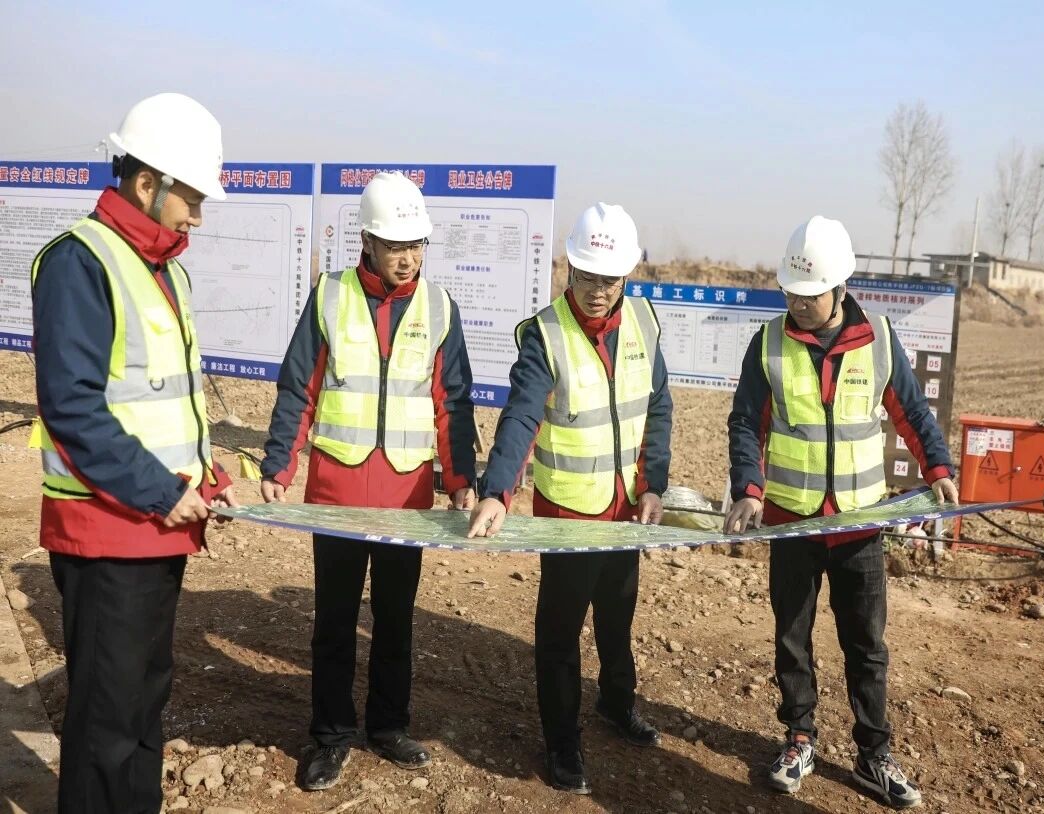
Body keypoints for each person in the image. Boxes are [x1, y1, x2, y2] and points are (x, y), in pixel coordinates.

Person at [30, 92, 237, 813]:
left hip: (157, 524)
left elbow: (161, 399)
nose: (198, 218)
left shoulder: (166, 268)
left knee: (145, 702)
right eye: (192, 200)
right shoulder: (80, 262)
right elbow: (74, 407)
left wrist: (206, 475)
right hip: (107, 531)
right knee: (107, 722)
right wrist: (161, 489)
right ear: (147, 183)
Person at [723, 216, 957, 808]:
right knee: (792, 639)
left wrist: (937, 468)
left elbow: (912, 411)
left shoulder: (878, 338)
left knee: (866, 645)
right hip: (794, 522)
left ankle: (874, 754)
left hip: (858, 526)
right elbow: (747, 422)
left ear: (841, 288)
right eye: (791, 293)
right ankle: (799, 738)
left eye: (810, 294)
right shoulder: (768, 344)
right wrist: (749, 489)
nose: (798, 304)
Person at [260, 171, 477, 790]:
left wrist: (461, 477)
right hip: (337, 493)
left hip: (407, 496)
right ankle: (331, 736)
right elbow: (299, 386)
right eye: (394, 245)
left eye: (416, 245)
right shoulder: (329, 296)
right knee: (334, 621)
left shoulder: (440, 307)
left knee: (395, 618)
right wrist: (279, 462)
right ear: (367, 241)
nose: (407, 258)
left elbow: (452, 402)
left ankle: (388, 726)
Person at [467, 203, 672, 795]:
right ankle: (562, 742)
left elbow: (657, 407)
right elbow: (522, 415)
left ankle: (616, 703)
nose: (598, 291)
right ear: (569, 269)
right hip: (568, 515)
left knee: (617, 614)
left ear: (626, 276)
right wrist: (498, 491)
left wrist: (653, 483)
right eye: (586, 276)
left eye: (609, 279)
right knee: (560, 632)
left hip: (624, 508)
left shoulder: (643, 323)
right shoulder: (545, 334)